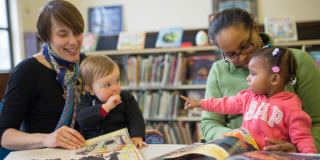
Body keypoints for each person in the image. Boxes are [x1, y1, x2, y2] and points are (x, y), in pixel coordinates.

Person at [0, 0, 161, 151]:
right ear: (46, 37)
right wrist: (46, 139)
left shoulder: (86, 63)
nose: (73, 41)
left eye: (77, 32)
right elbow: (3, 135)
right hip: (46, 154)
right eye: (63, 35)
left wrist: (132, 132)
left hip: (88, 151)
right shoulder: (27, 71)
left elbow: (107, 104)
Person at [202, 7, 320, 153]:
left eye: (245, 46)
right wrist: (236, 141)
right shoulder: (218, 70)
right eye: (231, 55)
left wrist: (298, 149)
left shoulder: (298, 61)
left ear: (255, 29)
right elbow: (210, 123)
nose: (243, 58)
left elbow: (317, 122)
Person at [182, 47, 317, 153]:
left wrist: (307, 156)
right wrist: (200, 103)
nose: (248, 78)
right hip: (246, 155)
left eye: (253, 73)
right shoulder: (247, 97)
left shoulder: (291, 106)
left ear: (274, 79)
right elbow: (225, 103)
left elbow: (303, 138)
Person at [77, 55, 147, 149]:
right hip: (94, 147)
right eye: (107, 85)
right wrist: (106, 107)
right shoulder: (87, 100)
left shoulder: (126, 98)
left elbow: (136, 118)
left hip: (121, 144)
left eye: (117, 80)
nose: (115, 88)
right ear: (91, 89)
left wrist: (137, 137)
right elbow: (81, 119)